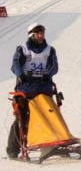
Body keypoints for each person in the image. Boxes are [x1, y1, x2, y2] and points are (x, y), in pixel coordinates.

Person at [6, 23, 59, 159]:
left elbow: (54, 66)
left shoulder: (49, 50)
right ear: (31, 35)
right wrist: (22, 76)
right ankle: (13, 150)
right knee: (21, 120)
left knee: (50, 117)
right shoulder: (22, 49)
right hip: (26, 89)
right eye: (38, 34)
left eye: (42, 33)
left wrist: (49, 74)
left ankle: (49, 145)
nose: (41, 36)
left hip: (43, 89)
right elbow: (15, 65)